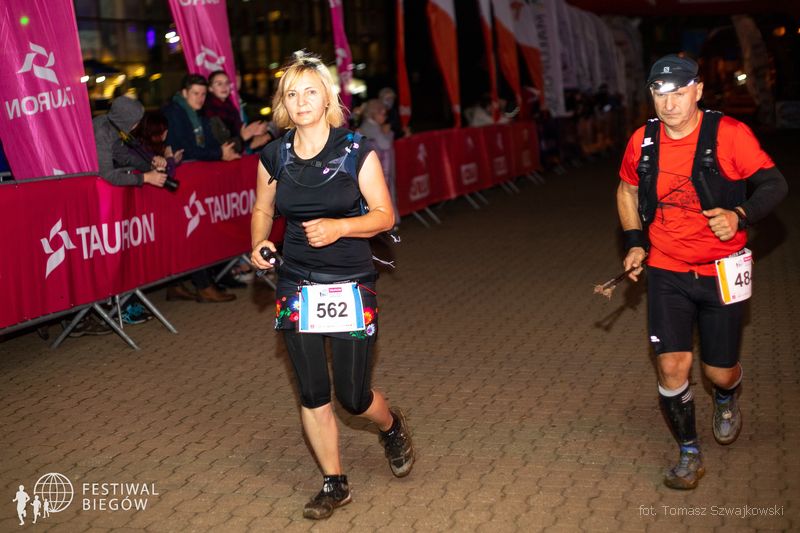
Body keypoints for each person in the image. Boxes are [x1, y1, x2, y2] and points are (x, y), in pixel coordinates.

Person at [250, 52, 414, 520]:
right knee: (312, 391)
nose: (301, 101)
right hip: (296, 283)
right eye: (292, 94)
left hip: (350, 285)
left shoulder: (356, 150)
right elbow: (263, 208)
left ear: (327, 99)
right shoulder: (275, 154)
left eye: (310, 92)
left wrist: (340, 227)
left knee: (353, 397)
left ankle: (391, 426)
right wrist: (259, 241)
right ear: (283, 104)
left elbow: (384, 215)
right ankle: (333, 482)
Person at [617, 54, 788, 490]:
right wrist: (635, 241)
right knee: (672, 366)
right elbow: (627, 189)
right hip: (667, 268)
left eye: (678, 92)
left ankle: (727, 396)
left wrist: (739, 214)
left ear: (697, 91)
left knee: (718, 372)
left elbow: (775, 184)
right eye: (660, 93)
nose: (669, 103)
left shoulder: (729, 134)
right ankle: (689, 451)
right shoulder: (643, 140)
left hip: (722, 270)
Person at [163, 74, 240, 163]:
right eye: (196, 93)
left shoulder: (200, 111)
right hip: (182, 166)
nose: (200, 98)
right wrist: (219, 152)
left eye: (203, 94)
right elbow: (186, 149)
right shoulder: (173, 113)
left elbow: (210, 141)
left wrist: (224, 151)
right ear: (185, 93)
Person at [93, 96, 167, 188]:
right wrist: (146, 178)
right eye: (137, 121)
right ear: (128, 122)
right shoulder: (102, 133)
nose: (137, 125)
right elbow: (108, 175)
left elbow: (124, 158)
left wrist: (150, 167)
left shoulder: (113, 126)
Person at [204, 70, 272, 154]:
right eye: (219, 84)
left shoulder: (229, 105)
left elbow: (238, 131)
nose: (224, 87)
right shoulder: (209, 110)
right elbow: (220, 144)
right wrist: (246, 139)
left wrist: (255, 133)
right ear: (210, 88)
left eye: (227, 83)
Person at [357, 99, 399, 226]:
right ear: (374, 114)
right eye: (382, 114)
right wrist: (388, 133)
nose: (384, 117)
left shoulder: (370, 126)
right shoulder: (371, 127)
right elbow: (385, 145)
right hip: (379, 170)